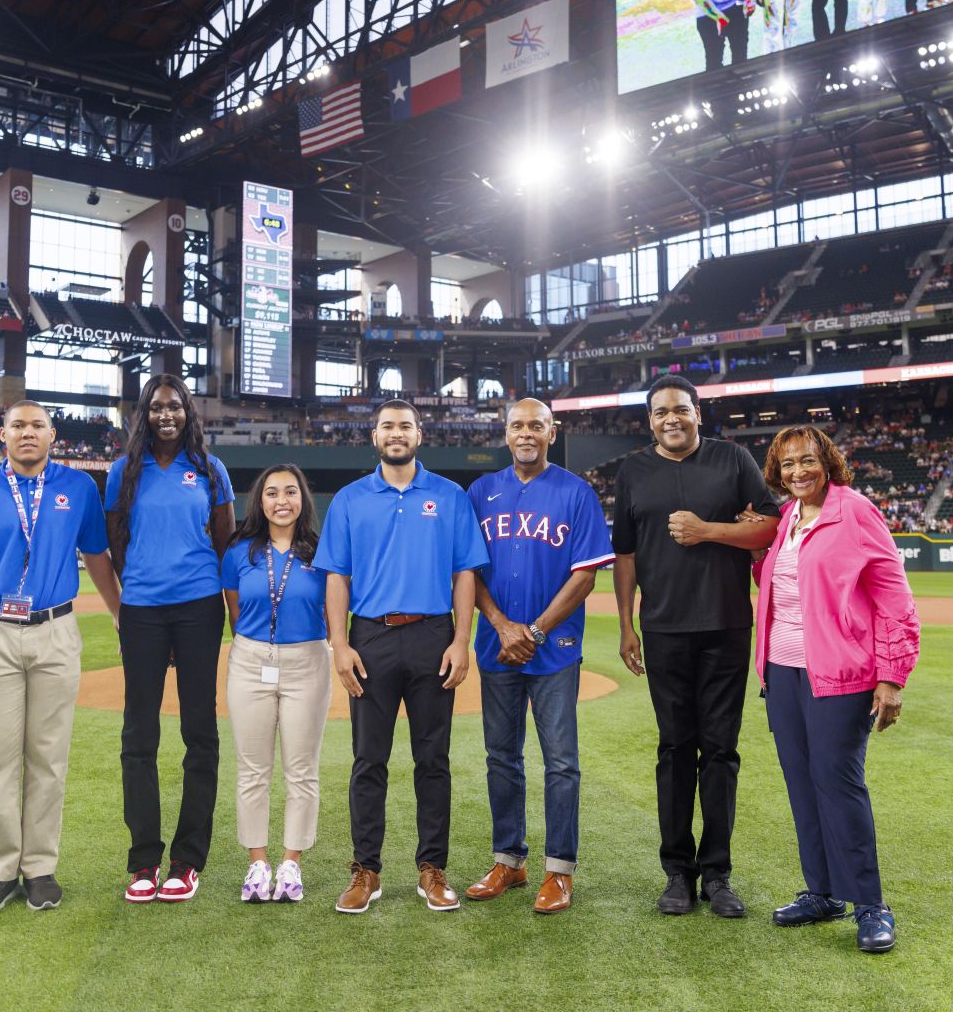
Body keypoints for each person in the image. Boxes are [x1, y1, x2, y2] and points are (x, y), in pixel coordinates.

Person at [747, 425, 920, 954]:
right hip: (782, 671)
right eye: (788, 464)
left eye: (808, 461)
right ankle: (822, 893)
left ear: (827, 462)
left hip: (840, 674)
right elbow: (785, 584)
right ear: (777, 472)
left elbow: (895, 598)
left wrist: (892, 677)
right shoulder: (788, 521)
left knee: (838, 785)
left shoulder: (856, 512)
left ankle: (870, 904)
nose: (799, 472)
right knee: (802, 785)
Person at [612, 375, 779, 918]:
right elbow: (626, 556)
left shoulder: (733, 459)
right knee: (674, 750)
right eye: (661, 412)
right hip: (662, 629)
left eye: (681, 410)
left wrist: (709, 530)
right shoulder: (633, 469)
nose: (671, 419)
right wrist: (625, 625)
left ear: (698, 413)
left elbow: (770, 529)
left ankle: (719, 873)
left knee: (722, 752)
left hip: (726, 625)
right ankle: (677, 873)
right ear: (650, 421)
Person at [314, 399, 489, 914]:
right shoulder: (349, 499)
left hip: (433, 635)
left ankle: (432, 869)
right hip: (370, 638)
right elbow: (336, 576)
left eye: (405, 426)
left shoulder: (450, 496)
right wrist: (339, 644)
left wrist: (460, 640)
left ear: (420, 434)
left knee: (432, 760)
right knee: (369, 759)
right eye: (387, 426)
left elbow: (464, 573)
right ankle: (366, 869)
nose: (396, 433)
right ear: (374, 437)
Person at [0, 399, 122, 915]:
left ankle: (40, 867)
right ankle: (0, 870)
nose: (28, 433)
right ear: (1, 435)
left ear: (54, 436)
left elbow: (96, 555)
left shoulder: (78, 487)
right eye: (18, 426)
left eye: (38, 426)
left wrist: (120, 616)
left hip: (56, 630)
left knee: (48, 755)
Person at [464, 398, 615, 914]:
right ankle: (509, 860)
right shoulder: (481, 492)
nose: (526, 433)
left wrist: (532, 630)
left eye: (536, 425)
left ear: (553, 430)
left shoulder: (575, 492)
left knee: (561, 762)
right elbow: (469, 571)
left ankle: (559, 870)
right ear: (505, 434)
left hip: (555, 649)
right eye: (516, 426)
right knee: (500, 758)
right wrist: (504, 627)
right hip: (496, 647)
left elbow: (586, 573)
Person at [106, 373, 235, 903]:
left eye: (175, 406)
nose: (166, 415)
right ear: (144, 414)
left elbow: (225, 544)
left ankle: (187, 860)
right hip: (142, 610)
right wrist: (137, 587)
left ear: (188, 413)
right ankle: (143, 861)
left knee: (199, 731)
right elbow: (117, 544)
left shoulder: (209, 468)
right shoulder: (123, 472)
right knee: (139, 735)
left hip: (199, 607)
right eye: (156, 407)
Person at [221, 464, 331, 903]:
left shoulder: (321, 553)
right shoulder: (238, 552)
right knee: (252, 769)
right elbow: (234, 611)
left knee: (301, 770)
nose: (281, 500)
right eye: (271, 493)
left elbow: (335, 609)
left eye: (290, 492)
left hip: (308, 661)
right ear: (259, 501)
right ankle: (257, 863)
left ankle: (291, 864)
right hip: (249, 661)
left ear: (302, 498)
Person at [689, 0, 753, 72]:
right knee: (714, 64)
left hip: (736, 9)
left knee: (741, 60)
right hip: (709, 16)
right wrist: (718, 17)